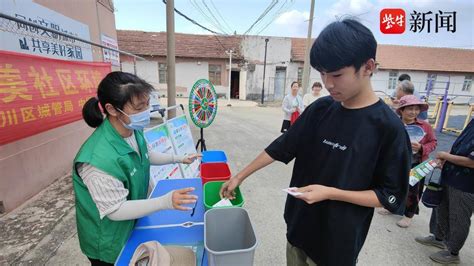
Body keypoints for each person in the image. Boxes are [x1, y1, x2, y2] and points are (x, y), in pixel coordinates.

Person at [220, 18, 411, 265]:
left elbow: (390, 196)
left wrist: (331, 193)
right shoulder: (321, 109)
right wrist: (240, 176)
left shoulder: (388, 128)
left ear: (368, 67)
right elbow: (283, 146)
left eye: (337, 74)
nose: (328, 83)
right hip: (298, 227)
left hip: (336, 243)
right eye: (322, 73)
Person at [73, 72, 200, 265]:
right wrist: (165, 201)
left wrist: (179, 158)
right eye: (140, 107)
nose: (147, 111)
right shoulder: (96, 160)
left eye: (148, 104)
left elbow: (146, 154)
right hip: (108, 239)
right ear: (112, 109)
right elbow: (115, 210)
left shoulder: (132, 128)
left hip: (133, 223)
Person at [415, 119, 474, 264]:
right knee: (440, 208)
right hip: (450, 174)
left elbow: (472, 161)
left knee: (458, 217)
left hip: (466, 184)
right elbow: (458, 144)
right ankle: (438, 238)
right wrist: (445, 157)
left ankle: (453, 253)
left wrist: (445, 156)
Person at [396, 95, 437, 228]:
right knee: (395, 185)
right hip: (398, 163)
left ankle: (408, 215)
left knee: (414, 191)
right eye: (410, 109)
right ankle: (392, 206)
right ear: (401, 110)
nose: (414, 112)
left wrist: (422, 147)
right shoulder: (394, 124)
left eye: (416, 109)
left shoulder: (425, 126)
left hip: (417, 163)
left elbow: (433, 142)